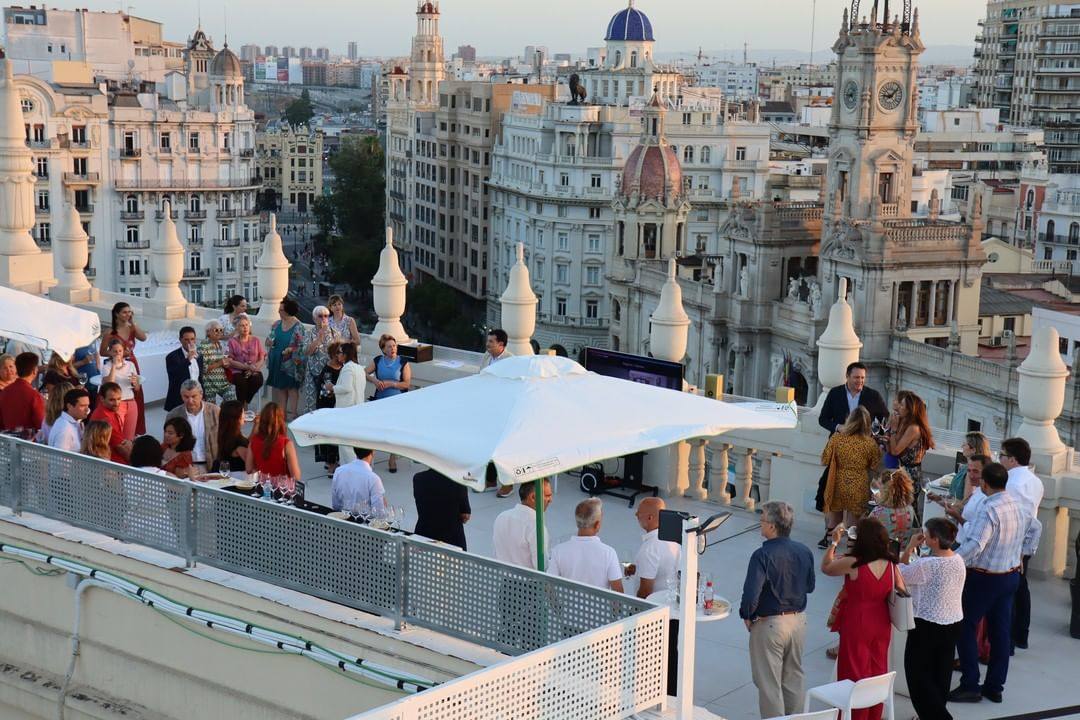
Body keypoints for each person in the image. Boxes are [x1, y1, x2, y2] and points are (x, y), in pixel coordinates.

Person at [950, 462, 1040, 705]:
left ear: (985, 484)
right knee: (1000, 634)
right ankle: (994, 687)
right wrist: (1023, 553)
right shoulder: (1018, 506)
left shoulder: (988, 509)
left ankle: (970, 684)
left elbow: (976, 544)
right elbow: (1036, 528)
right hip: (1010, 576)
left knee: (964, 624)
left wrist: (950, 562)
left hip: (985, 578)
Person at [739, 500, 815, 719]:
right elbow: (809, 586)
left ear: (772, 526)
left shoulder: (761, 555)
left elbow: (751, 593)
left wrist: (747, 615)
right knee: (793, 678)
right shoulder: (804, 551)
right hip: (798, 621)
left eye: (762, 519)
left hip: (771, 624)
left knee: (769, 684)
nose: (760, 524)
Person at [822, 517, 901, 720]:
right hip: (881, 620)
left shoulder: (854, 563)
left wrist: (833, 542)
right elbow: (901, 589)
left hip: (857, 619)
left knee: (854, 671)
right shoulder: (891, 563)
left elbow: (826, 567)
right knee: (877, 668)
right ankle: (873, 715)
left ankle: (854, 716)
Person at [899, 518, 966, 720]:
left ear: (935, 540)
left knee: (917, 674)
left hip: (927, 625)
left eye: (926, 534)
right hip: (953, 621)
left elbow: (899, 574)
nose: (924, 537)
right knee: (941, 673)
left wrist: (910, 547)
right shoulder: (958, 560)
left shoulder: (926, 565)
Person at [815, 362, 889, 544]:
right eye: (856, 377)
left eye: (863, 378)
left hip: (843, 467)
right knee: (845, 507)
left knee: (837, 502)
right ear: (847, 377)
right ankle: (847, 544)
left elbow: (884, 418)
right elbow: (823, 419)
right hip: (849, 468)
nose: (860, 381)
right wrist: (837, 427)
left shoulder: (872, 395)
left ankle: (832, 539)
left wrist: (876, 435)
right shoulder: (835, 394)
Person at [998, 437, 1044, 652]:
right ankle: (1020, 634)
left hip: (1013, 542)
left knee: (1010, 592)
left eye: (1002, 456)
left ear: (1013, 460)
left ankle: (1008, 641)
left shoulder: (1011, 483)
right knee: (1021, 588)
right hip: (1026, 542)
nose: (999, 459)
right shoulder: (1035, 481)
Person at [821, 406, 881, 537]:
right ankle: (849, 551)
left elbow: (825, 459)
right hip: (859, 484)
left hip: (838, 482)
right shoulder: (870, 443)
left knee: (834, 519)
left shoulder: (837, 438)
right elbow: (875, 466)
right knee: (853, 525)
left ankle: (831, 544)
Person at [548, 498, 624, 592]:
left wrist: (557, 606)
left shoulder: (558, 551)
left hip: (566, 606)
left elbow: (548, 586)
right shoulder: (609, 553)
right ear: (597, 524)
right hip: (598, 607)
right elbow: (618, 594)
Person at [365, 334, 411, 473]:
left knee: (393, 430)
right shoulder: (378, 360)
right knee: (375, 429)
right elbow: (364, 373)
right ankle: (369, 456)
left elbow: (406, 384)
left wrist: (391, 383)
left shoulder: (403, 362)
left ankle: (392, 458)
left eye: (394, 345)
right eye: (389, 346)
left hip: (397, 402)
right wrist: (375, 381)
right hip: (380, 400)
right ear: (383, 349)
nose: (393, 349)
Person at [99, 302, 147, 435]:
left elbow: (144, 337)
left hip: (131, 363)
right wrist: (117, 353)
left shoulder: (131, 328)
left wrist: (133, 324)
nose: (128, 314)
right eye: (125, 312)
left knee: (136, 393)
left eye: (129, 312)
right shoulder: (110, 332)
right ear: (116, 314)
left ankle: (134, 429)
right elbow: (102, 352)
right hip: (115, 364)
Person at [493, 479, 553, 570]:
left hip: (504, 579)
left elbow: (496, 552)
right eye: (547, 496)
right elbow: (542, 567)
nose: (550, 500)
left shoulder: (501, 516)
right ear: (533, 497)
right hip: (529, 582)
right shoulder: (536, 527)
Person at [166, 380, 220, 473]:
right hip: (185, 467)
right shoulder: (173, 415)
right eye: (186, 397)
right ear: (181, 396)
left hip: (212, 465)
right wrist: (175, 469)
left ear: (201, 394)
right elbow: (167, 444)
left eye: (193, 396)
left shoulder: (215, 411)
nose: (190, 401)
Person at [887, 390, 935, 493]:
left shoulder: (913, 428)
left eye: (902, 405)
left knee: (907, 507)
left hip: (909, 475)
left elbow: (895, 451)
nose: (899, 407)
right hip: (905, 472)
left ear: (910, 409)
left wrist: (893, 429)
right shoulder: (908, 424)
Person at [412, 466, 471, 550]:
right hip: (452, 541)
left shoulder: (418, 478)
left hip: (424, 535)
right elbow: (465, 516)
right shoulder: (458, 481)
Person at [265, 297, 305, 420]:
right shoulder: (276, 324)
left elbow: (302, 346)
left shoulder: (299, 326)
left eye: (281, 310)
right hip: (276, 359)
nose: (279, 312)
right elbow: (269, 339)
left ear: (288, 311)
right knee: (281, 388)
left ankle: (293, 413)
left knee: (292, 388)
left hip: (291, 362)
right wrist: (269, 342)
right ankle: (282, 414)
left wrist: (290, 350)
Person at [245, 402, 301, 481]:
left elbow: (248, 469)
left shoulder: (253, 441)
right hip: (281, 489)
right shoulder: (286, 443)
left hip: (261, 487)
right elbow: (296, 476)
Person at [100, 338, 141, 442]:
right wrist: (114, 365)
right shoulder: (106, 366)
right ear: (110, 352)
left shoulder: (130, 365)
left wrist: (135, 382)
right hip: (118, 403)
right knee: (117, 436)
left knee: (129, 436)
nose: (118, 354)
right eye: (115, 351)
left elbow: (137, 388)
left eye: (120, 351)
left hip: (131, 402)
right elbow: (109, 384)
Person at [331, 342, 365, 464]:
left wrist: (332, 387)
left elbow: (346, 387)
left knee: (345, 443)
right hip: (357, 408)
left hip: (347, 409)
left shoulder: (348, 368)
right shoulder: (360, 368)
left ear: (345, 354)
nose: (337, 355)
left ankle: (349, 467)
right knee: (353, 441)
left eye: (339, 353)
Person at [869, 468, 917, 552]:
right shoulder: (910, 509)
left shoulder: (879, 512)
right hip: (902, 556)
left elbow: (864, 534)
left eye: (880, 485)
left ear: (886, 489)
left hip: (882, 557)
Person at [226, 315, 266, 414]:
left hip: (253, 369)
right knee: (241, 382)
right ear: (236, 328)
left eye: (246, 325)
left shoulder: (255, 340)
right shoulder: (232, 341)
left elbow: (262, 357)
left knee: (258, 380)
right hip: (237, 370)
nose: (245, 328)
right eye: (242, 325)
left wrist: (255, 367)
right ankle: (241, 406)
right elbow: (230, 360)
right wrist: (246, 367)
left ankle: (245, 401)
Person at [314, 341, 343, 470]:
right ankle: (330, 463)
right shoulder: (327, 371)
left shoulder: (344, 368)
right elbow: (324, 389)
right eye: (340, 353)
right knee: (329, 434)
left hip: (337, 405)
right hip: (327, 405)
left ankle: (331, 460)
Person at [331, 447, 387, 514]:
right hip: (364, 522)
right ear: (373, 452)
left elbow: (335, 505)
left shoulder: (339, 471)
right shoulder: (373, 478)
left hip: (343, 517)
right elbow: (379, 513)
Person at [0, 352, 44, 435]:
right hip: (27, 443)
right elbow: (40, 424)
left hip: (6, 441)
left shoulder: (4, 392)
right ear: (34, 371)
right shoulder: (33, 395)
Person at [89, 382, 131, 463]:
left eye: (119, 399)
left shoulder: (104, 411)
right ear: (102, 399)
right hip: (114, 465)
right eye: (112, 400)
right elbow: (121, 448)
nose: (116, 403)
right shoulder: (106, 419)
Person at [197, 321, 236, 405]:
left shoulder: (219, 344)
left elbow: (221, 362)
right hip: (209, 383)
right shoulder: (203, 346)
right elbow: (203, 369)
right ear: (208, 332)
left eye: (221, 330)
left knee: (231, 399)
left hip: (222, 381)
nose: (219, 332)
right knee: (211, 409)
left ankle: (224, 413)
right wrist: (220, 363)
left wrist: (226, 364)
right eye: (216, 330)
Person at [164, 326, 202, 412]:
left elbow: (200, 378)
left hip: (196, 397)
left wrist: (203, 396)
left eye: (192, 339)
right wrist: (187, 360)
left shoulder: (199, 356)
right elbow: (174, 375)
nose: (190, 342)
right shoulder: (172, 357)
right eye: (186, 340)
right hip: (179, 398)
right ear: (180, 340)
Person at [211, 400, 249, 474]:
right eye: (243, 413)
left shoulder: (226, 436)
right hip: (238, 480)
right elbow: (251, 465)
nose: (245, 416)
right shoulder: (239, 442)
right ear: (237, 417)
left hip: (223, 475)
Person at [950, 432, 991, 500]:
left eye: (964, 444)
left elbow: (966, 502)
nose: (962, 446)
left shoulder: (971, 472)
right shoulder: (968, 468)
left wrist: (944, 501)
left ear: (973, 450)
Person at [48, 387, 91, 452]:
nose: (87, 409)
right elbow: (59, 459)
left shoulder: (73, 422)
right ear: (69, 406)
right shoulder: (65, 430)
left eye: (87, 405)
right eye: (82, 406)